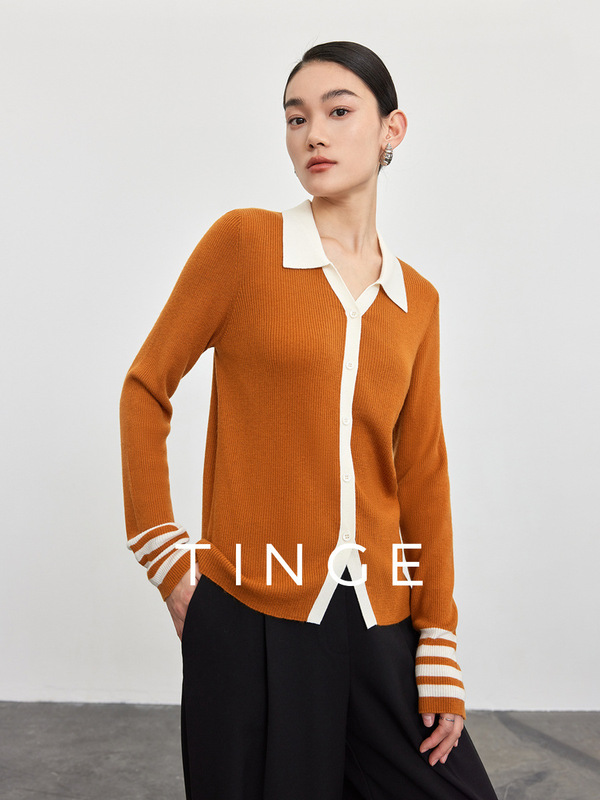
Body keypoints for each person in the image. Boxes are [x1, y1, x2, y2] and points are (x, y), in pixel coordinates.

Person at [119, 40, 499, 800]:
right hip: (249, 619)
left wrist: (438, 638)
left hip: (381, 620)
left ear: (392, 129)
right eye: (296, 118)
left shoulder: (416, 301)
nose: (313, 134)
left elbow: (422, 473)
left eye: (338, 111)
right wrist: (165, 557)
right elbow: (146, 388)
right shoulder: (244, 246)